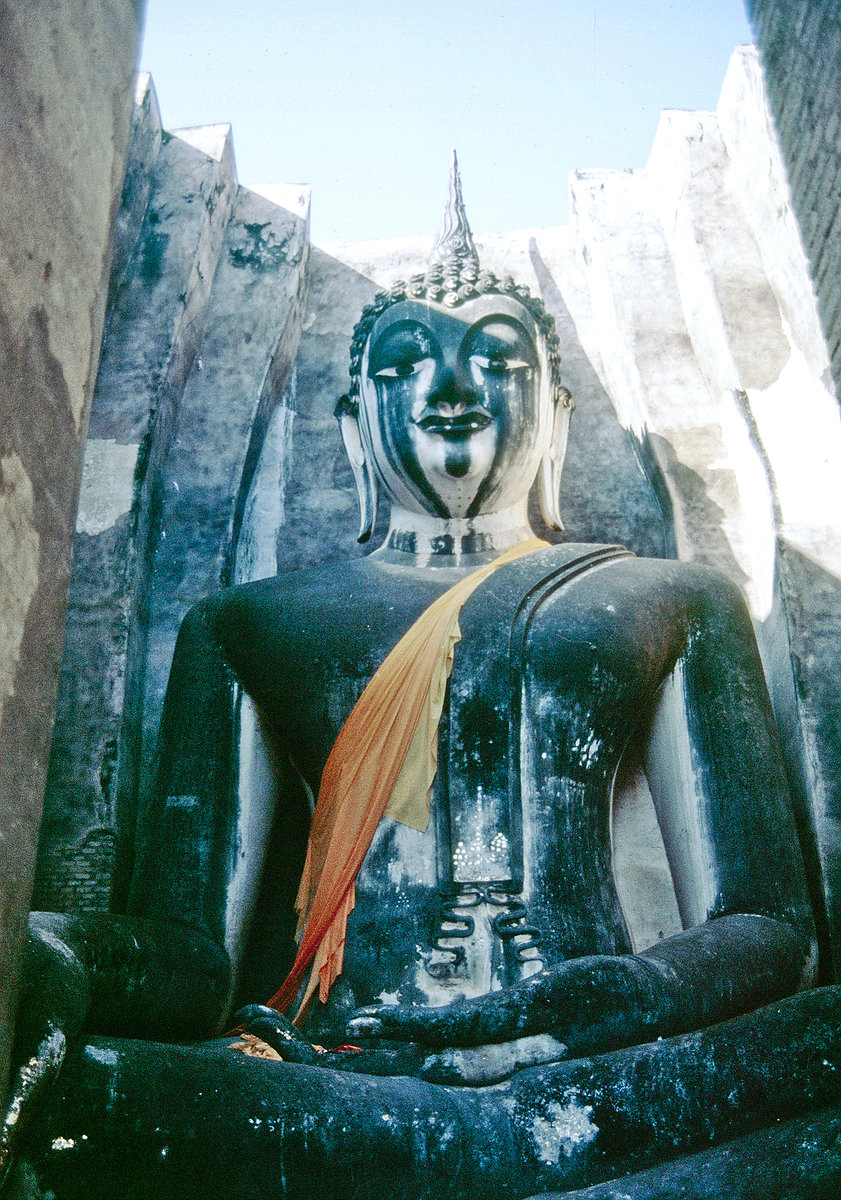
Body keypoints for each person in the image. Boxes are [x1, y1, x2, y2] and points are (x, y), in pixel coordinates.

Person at [3, 158, 838, 1200]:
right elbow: (191, 956)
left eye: (496, 358)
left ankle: (514, 1146)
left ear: (558, 416)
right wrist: (56, 951)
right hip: (340, 1081)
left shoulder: (672, 600)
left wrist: (635, 988)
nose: (450, 390)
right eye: (405, 365)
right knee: (70, 1098)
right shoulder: (250, 626)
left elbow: (771, 927)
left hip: (604, 1080)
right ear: (355, 425)